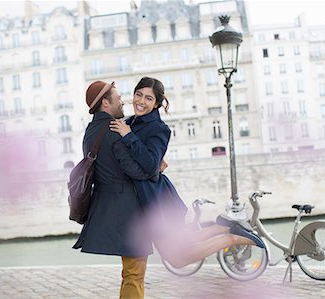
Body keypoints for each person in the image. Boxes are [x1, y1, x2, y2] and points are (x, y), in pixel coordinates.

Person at [109, 77, 265, 268]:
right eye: (138, 94)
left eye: (148, 98)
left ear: (157, 103)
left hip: (154, 201)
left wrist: (129, 136)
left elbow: (150, 165)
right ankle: (223, 227)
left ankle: (230, 238)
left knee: (177, 258)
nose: (141, 101)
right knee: (183, 242)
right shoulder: (129, 122)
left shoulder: (158, 129)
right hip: (145, 199)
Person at [73, 81, 156, 299]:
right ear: (105, 103)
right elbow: (136, 171)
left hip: (107, 206)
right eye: (118, 98)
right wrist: (156, 169)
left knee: (130, 272)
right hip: (126, 210)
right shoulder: (113, 130)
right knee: (134, 272)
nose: (123, 102)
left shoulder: (91, 131)